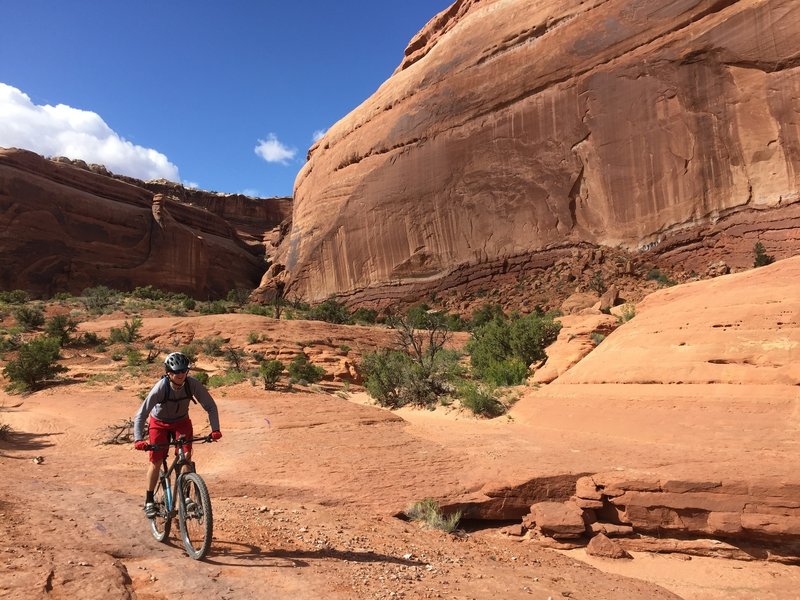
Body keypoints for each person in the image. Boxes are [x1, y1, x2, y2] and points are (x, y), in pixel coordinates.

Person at [133, 351, 222, 518]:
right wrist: (138, 439)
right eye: (176, 371)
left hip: (181, 422)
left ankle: (186, 498)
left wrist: (215, 429)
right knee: (157, 460)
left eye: (183, 371)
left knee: (186, 456)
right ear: (168, 372)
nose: (180, 374)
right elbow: (141, 413)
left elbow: (210, 405)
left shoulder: (192, 384)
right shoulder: (161, 388)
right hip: (159, 424)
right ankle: (149, 500)